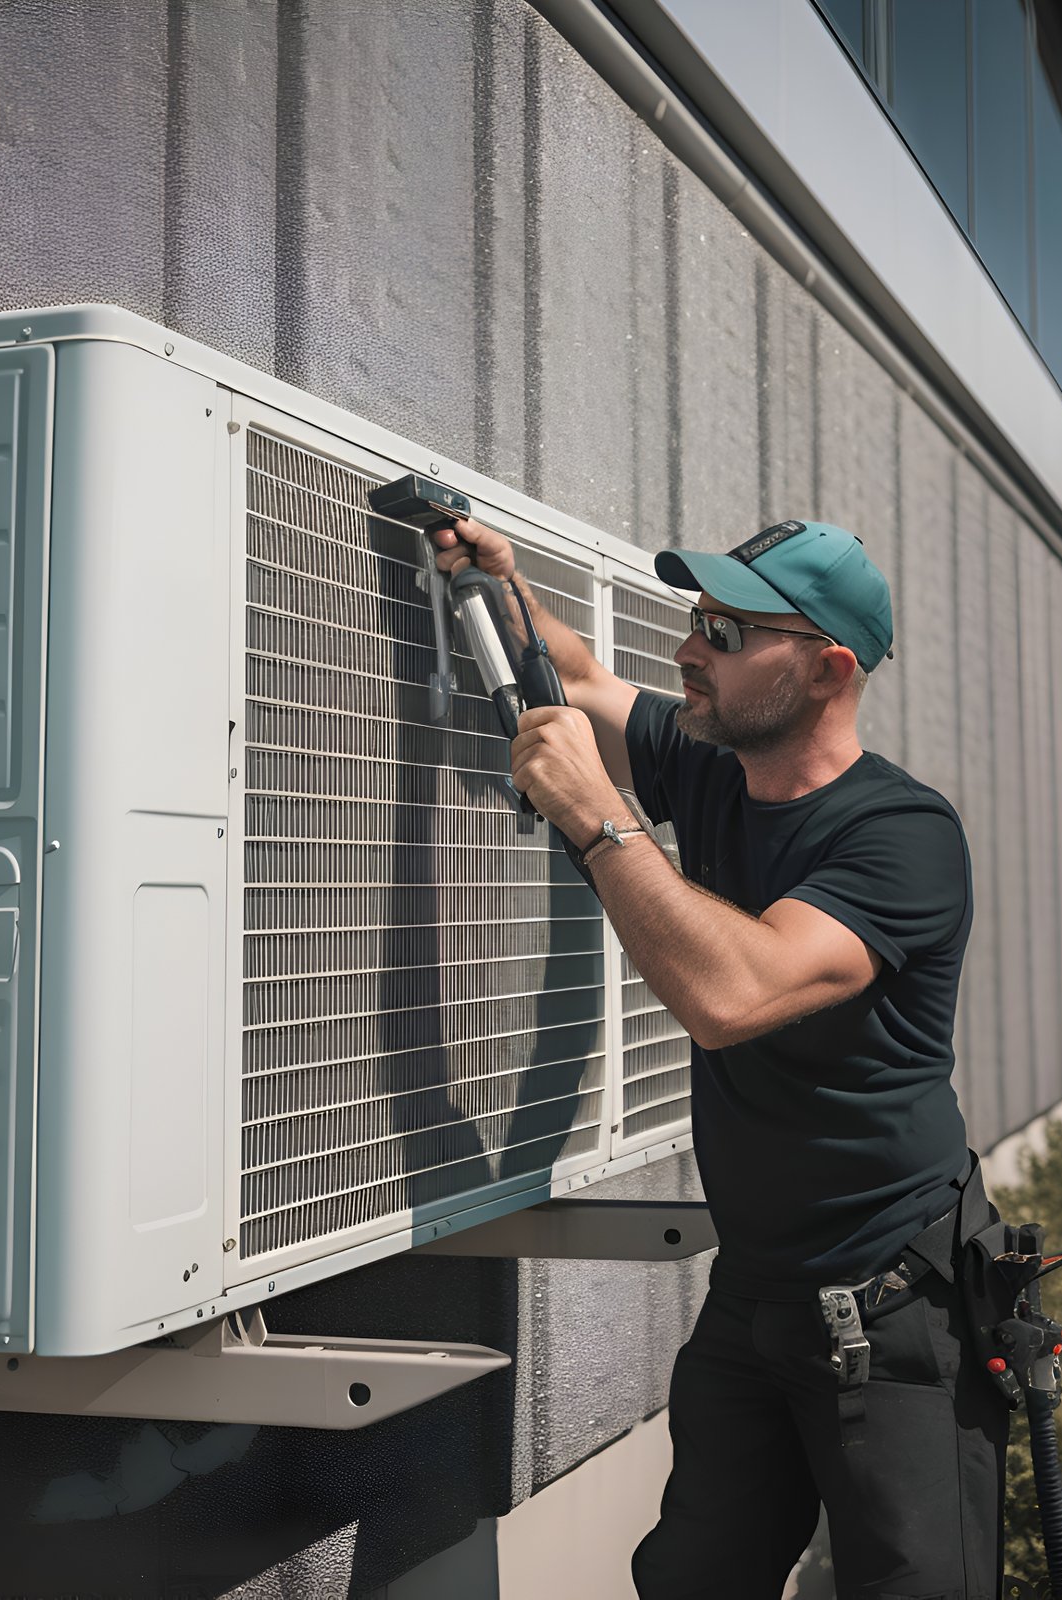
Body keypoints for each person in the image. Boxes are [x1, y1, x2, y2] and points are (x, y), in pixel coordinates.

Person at [432, 515, 1008, 1598]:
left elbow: (731, 993)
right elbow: (585, 674)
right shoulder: (711, 762)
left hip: (893, 1305)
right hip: (758, 1294)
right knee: (694, 1574)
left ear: (828, 667)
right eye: (695, 620)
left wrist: (601, 818)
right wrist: (505, 586)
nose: (691, 650)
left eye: (729, 631)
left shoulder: (901, 837)